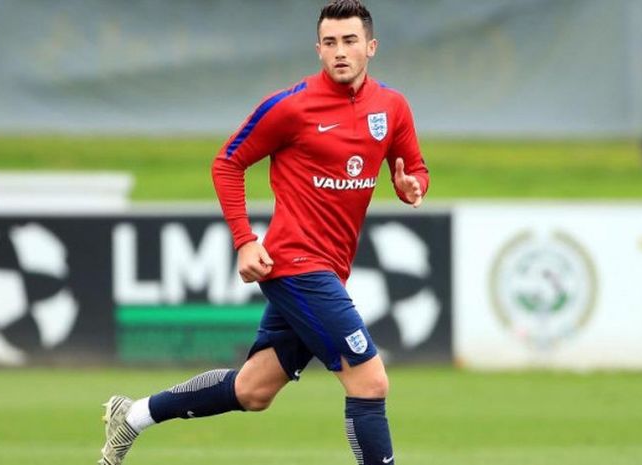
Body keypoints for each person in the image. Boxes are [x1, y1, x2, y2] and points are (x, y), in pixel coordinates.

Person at [98, 1, 429, 464]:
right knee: (370, 381)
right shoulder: (290, 107)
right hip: (295, 264)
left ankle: (131, 416)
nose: (340, 51)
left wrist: (412, 186)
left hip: (331, 269)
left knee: (253, 390)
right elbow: (227, 162)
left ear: (370, 47)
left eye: (350, 41)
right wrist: (245, 239)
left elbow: (414, 167)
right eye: (330, 42)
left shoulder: (391, 107)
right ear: (318, 49)